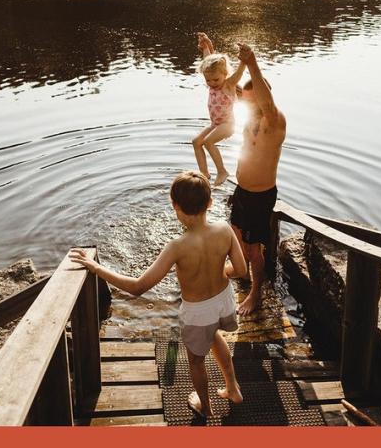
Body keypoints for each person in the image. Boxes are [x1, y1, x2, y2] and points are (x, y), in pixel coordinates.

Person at [69, 171, 247, 418]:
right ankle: (232, 388)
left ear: (175, 206)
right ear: (210, 202)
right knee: (215, 334)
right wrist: (219, 270)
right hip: (223, 301)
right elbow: (240, 270)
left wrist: (97, 268)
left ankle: (205, 407)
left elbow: (138, 287)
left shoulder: (177, 247)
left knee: (196, 361)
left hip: (197, 313)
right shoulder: (225, 230)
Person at [230, 42, 286, 315]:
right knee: (238, 237)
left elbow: (265, 101)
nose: (248, 106)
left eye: (255, 103)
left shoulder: (273, 121)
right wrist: (208, 52)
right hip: (242, 191)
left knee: (254, 251)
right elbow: (229, 86)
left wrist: (252, 61)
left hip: (259, 196)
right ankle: (242, 273)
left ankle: (256, 294)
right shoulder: (250, 114)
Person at [193, 32, 245, 186]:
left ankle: (222, 171)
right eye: (208, 80)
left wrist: (243, 60)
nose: (212, 83)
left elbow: (239, 73)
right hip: (215, 124)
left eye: (215, 79)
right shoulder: (212, 78)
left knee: (209, 142)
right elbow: (208, 60)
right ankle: (204, 173)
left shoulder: (228, 85)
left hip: (227, 124)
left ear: (225, 74)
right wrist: (206, 45)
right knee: (196, 142)